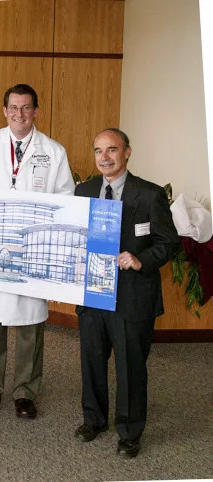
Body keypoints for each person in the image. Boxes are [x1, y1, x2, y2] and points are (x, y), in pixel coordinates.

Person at [0, 84, 75, 419]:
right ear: (4, 110)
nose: (19, 114)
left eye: (26, 108)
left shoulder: (53, 151)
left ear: (36, 111)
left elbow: (66, 198)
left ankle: (25, 392)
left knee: (30, 326)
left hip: (30, 251)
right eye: (13, 108)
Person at [73, 128, 178, 458]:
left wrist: (140, 259)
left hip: (132, 298)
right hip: (93, 293)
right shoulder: (84, 191)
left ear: (127, 152)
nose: (104, 157)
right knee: (91, 360)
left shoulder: (149, 194)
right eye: (98, 151)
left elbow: (169, 243)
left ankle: (130, 432)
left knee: (131, 366)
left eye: (112, 150)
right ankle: (94, 419)